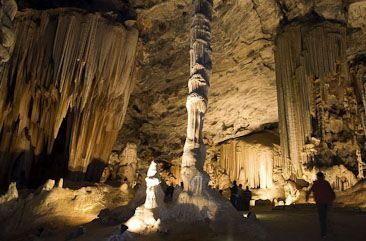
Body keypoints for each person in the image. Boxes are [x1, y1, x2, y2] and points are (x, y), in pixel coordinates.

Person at [306, 172, 336, 239]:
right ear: (322, 176)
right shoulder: (326, 183)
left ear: (318, 177)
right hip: (326, 202)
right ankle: (328, 230)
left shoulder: (315, 184)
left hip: (319, 202)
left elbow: (310, 191)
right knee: (325, 216)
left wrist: (307, 196)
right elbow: (331, 191)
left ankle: (324, 233)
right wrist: (332, 198)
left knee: (322, 218)